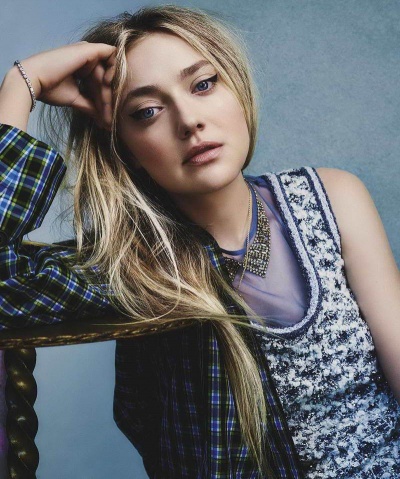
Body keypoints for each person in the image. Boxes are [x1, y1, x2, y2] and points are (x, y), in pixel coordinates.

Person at [0, 4, 399, 478]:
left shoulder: (333, 197)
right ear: (126, 148)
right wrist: (21, 86)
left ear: (237, 87)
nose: (189, 120)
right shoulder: (134, 265)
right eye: (147, 112)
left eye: (203, 84)